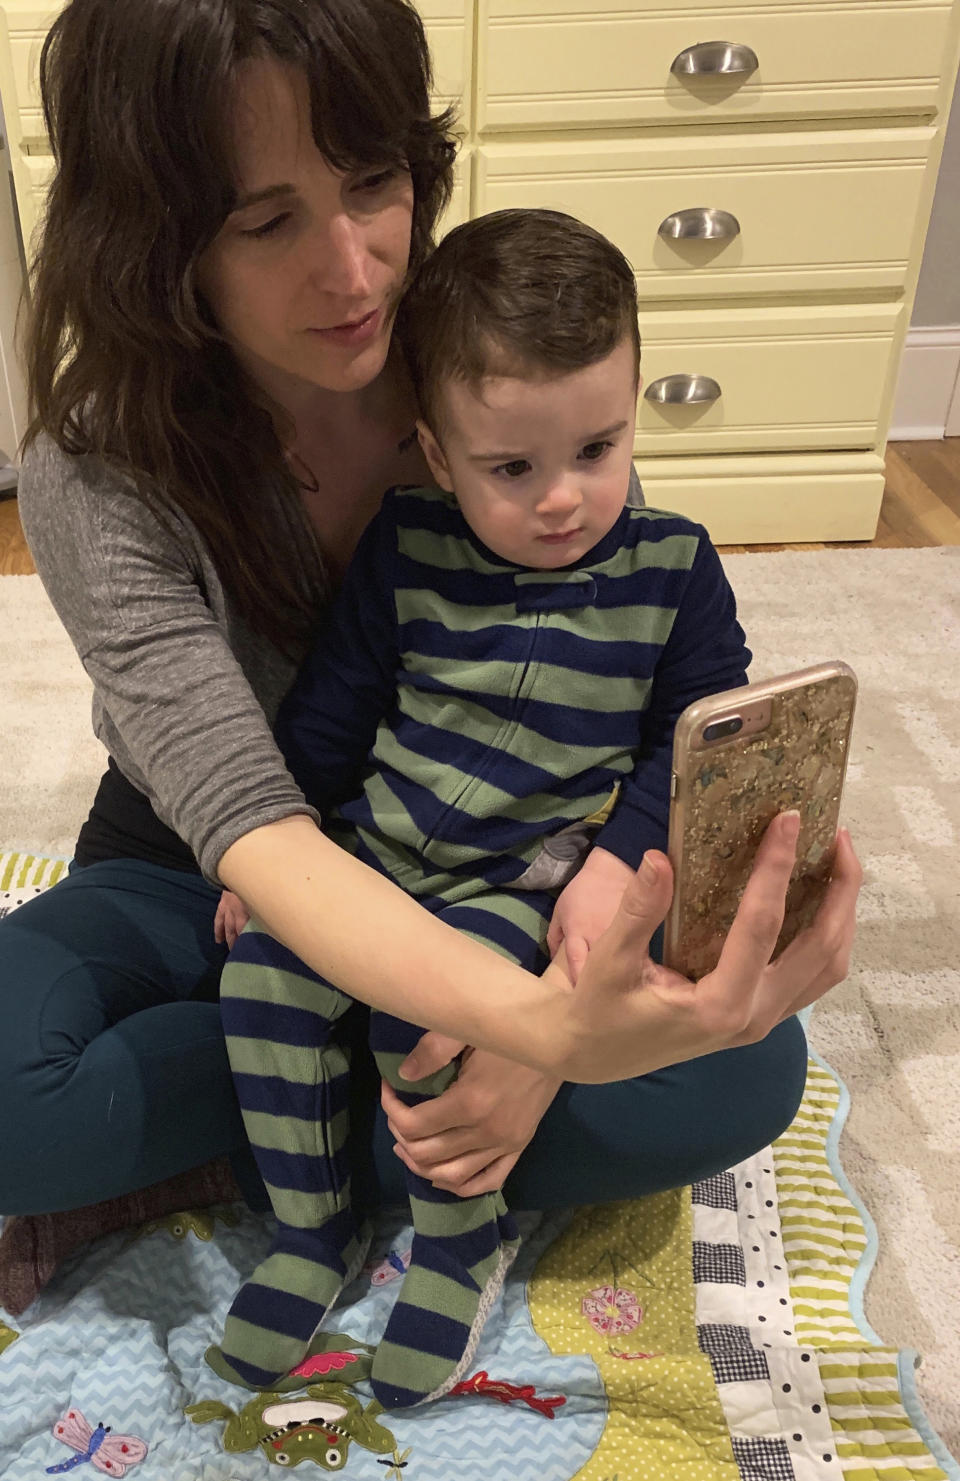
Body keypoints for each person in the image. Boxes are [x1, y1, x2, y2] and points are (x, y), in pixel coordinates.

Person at [0, 0, 861, 1327]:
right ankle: (372, 1107)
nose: (354, 271)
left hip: (507, 869)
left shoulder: (498, 371)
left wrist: (537, 1005)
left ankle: (299, 1121)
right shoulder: (97, 464)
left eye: (372, 184)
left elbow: (652, 673)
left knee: (745, 1068)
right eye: (265, 218)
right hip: (221, 865)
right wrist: (541, 1035)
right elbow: (257, 827)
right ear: (161, 241)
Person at [205, 205, 770, 1406]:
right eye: (512, 468)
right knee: (260, 983)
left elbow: (706, 746)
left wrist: (621, 860)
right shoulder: (406, 544)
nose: (564, 498)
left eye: (599, 449)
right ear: (435, 451)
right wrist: (268, 859)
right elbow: (328, 714)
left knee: (442, 1030)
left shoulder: (672, 567)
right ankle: (315, 1231)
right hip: (368, 863)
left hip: (520, 887)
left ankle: (459, 1246)